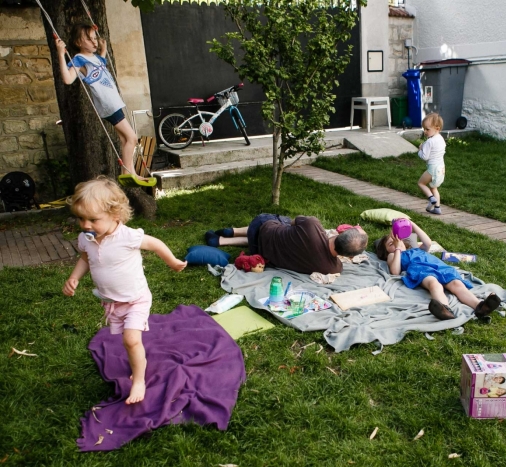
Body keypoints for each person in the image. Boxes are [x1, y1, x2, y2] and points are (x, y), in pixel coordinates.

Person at [62, 176, 187, 404]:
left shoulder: (127, 236)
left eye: (93, 219)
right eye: (81, 218)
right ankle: (137, 363)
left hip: (136, 298)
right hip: (113, 302)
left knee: (130, 340)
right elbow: (85, 259)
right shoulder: (86, 239)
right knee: (127, 341)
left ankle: (139, 380)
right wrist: (73, 277)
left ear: (115, 215)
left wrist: (171, 261)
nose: (85, 225)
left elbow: (155, 243)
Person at [55, 23, 144, 181]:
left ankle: (131, 173)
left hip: (114, 101)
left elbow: (101, 64)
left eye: (94, 38)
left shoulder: (94, 57)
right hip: (107, 103)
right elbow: (67, 79)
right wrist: (61, 54)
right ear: (78, 43)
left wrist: (103, 50)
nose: (94, 42)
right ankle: (126, 172)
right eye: (89, 39)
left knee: (125, 139)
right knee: (132, 138)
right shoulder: (79, 59)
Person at [374, 221, 501, 320]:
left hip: (440, 267)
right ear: (386, 252)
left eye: (397, 241)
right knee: (434, 283)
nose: (396, 243)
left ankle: (480, 306)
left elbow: (428, 243)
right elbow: (395, 272)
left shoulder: (416, 248)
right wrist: (397, 250)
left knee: (457, 284)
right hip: (421, 270)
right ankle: (445, 309)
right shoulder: (394, 255)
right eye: (391, 244)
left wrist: (412, 225)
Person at [206, 214, 368, 275]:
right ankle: (222, 240)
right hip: (262, 254)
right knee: (288, 238)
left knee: (283, 221)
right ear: (350, 256)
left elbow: (291, 222)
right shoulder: (333, 269)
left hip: (261, 228)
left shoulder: (312, 225)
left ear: (340, 232)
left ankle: (232, 231)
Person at [418, 113, 447, 215]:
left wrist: (420, 150)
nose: (425, 132)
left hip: (433, 168)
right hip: (441, 168)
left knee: (421, 183)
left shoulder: (430, 142)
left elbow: (424, 156)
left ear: (437, 129)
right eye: (424, 129)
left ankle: (431, 198)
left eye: (427, 129)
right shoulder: (441, 139)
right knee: (434, 188)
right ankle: (437, 208)